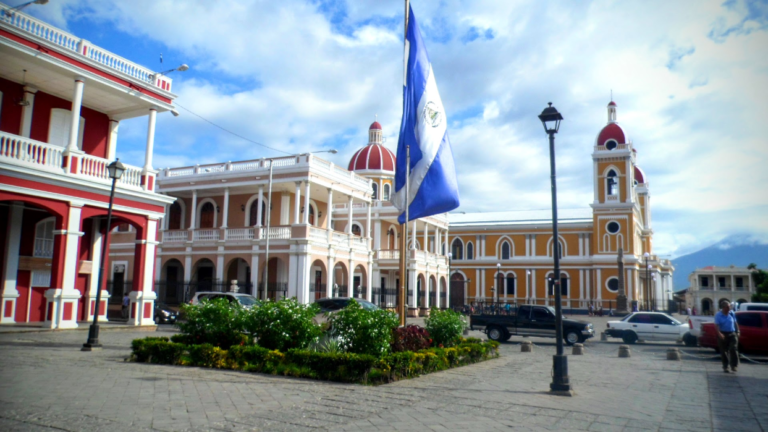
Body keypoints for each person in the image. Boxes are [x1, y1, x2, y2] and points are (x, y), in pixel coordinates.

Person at [714, 300, 740, 373]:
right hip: (723, 333)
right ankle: (725, 366)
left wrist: (738, 331)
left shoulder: (732, 313)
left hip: (732, 333)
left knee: (733, 349)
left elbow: (735, 322)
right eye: (728, 307)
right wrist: (719, 334)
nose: (729, 308)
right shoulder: (718, 315)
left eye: (730, 306)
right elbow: (716, 325)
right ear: (723, 307)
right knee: (724, 351)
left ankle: (734, 365)